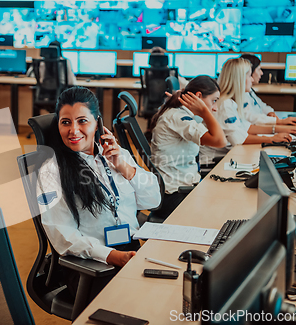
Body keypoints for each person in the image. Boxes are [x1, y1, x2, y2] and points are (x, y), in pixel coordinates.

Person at [36, 86, 161, 296]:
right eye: (65, 122)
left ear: (98, 124)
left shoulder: (115, 154)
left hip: (131, 248)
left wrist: (123, 166)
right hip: (91, 266)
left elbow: (152, 200)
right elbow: (62, 235)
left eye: (82, 121)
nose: (73, 130)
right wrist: (113, 256)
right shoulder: (51, 171)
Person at [149, 76, 226, 222]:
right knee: (221, 212)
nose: (215, 108)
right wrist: (204, 110)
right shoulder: (178, 117)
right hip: (175, 195)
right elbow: (220, 140)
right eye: (214, 101)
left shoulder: (181, 114)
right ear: (198, 97)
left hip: (181, 188)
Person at [200, 58, 296, 164]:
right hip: (213, 162)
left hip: (227, 156)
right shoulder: (225, 105)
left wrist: (281, 129)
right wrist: (272, 139)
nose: (252, 80)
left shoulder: (231, 101)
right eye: (249, 76)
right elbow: (239, 139)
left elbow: (246, 128)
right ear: (239, 79)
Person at [240, 54, 296, 126]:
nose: (262, 73)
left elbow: (261, 105)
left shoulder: (249, 91)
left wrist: (270, 112)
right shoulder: (240, 94)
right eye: (259, 69)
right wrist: (277, 121)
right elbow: (250, 118)